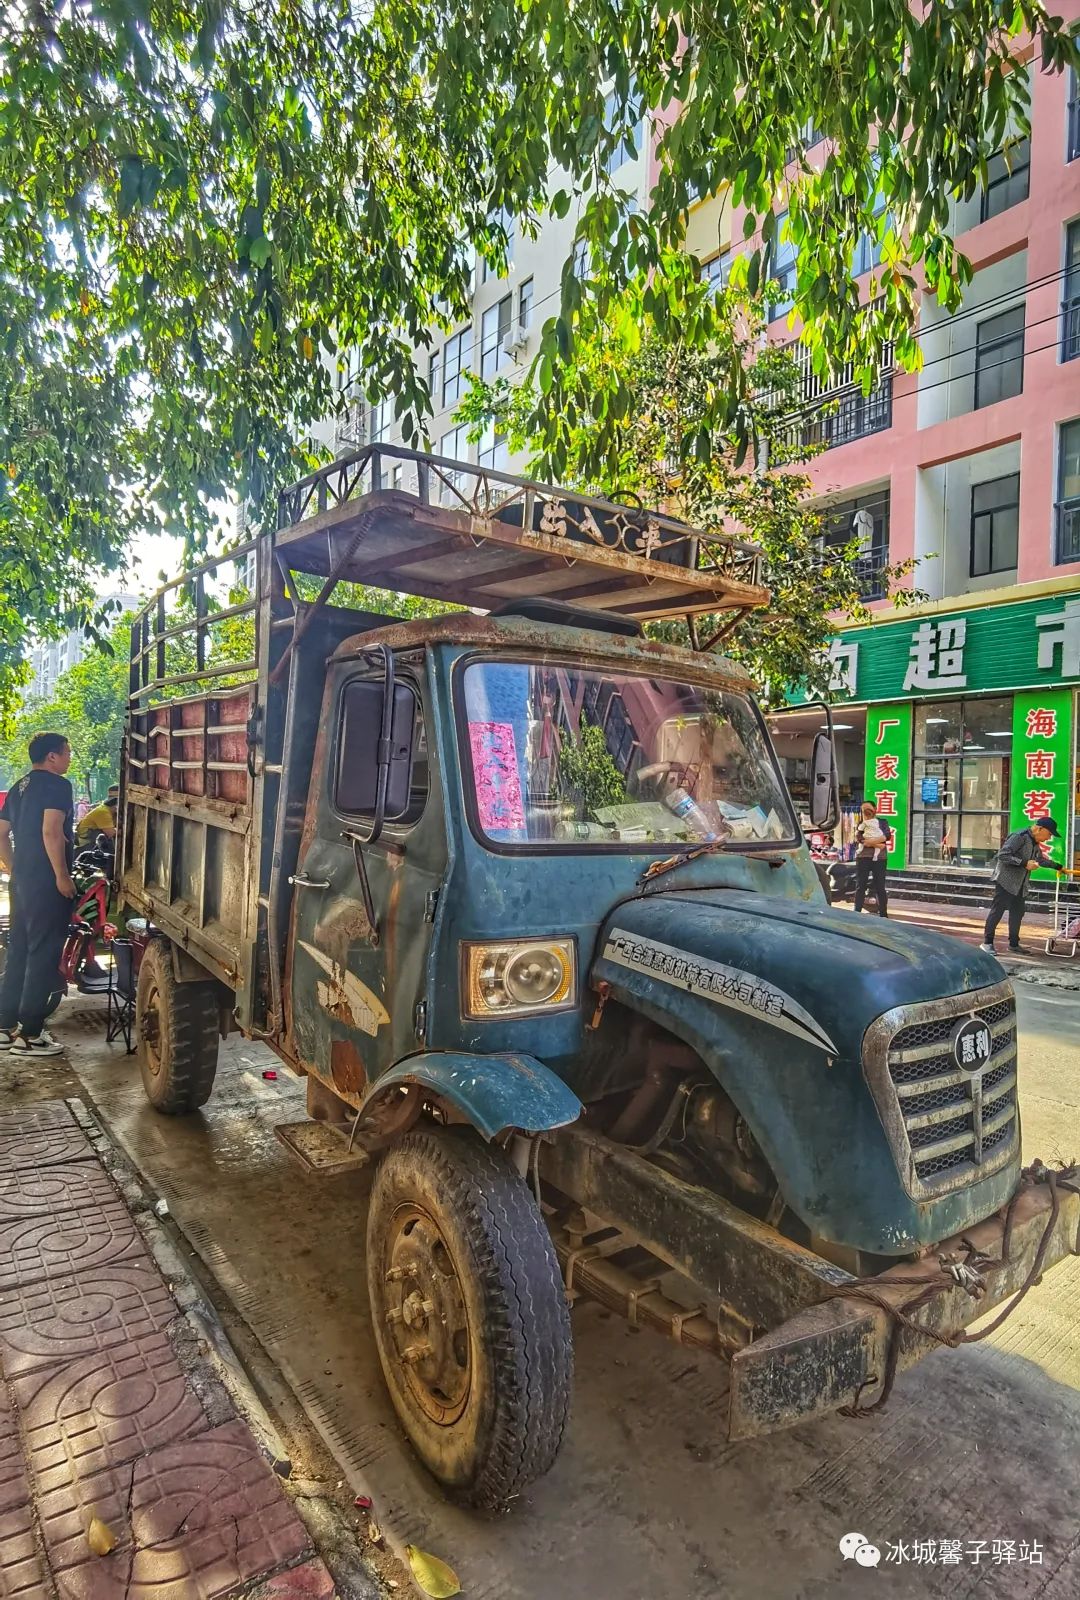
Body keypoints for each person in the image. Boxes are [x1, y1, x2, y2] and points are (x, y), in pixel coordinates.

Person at [0, 732, 77, 1056]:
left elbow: (1, 833)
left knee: (19, 949)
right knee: (44, 952)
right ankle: (30, 1034)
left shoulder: (19, 787)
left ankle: (4, 1026)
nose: (69, 758)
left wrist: (15, 867)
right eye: (67, 752)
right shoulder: (58, 786)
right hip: (46, 882)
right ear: (52, 757)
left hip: (22, 881)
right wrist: (61, 876)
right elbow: (52, 831)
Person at [980, 814, 1060, 954]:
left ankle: (1014, 944)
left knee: (1017, 913)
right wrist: (1024, 863)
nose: (1049, 838)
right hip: (1006, 881)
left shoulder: (1034, 842)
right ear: (1040, 829)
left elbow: (1039, 859)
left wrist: (1058, 867)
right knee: (997, 911)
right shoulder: (1019, 836)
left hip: (1020, 884)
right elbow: (1003, 855)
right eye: (1049, 834)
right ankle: (987, 943)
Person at [853, 800, 892, 917]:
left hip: (880, 858)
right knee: (860, 885)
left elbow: (886, 836)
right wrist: (877, 844)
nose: (866, 811)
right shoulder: (861, 823)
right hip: (863, 857)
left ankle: (883, 914)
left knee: (880, 886)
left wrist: (870, 842)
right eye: (864, 809)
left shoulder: (883, 822)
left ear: (875, 809)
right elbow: (859, 838)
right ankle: (856, 912)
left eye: (868, 809)